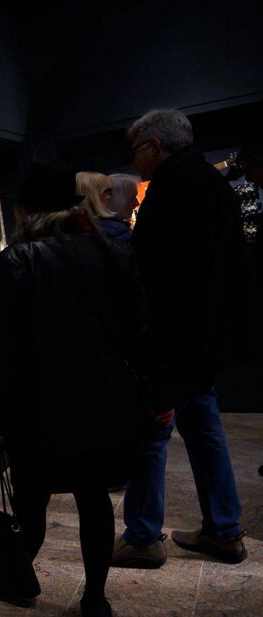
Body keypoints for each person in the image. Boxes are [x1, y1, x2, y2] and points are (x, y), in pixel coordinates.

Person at [0, 160, 150, 617]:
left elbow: (3, 349)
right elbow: (139, 331)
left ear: (26, 210)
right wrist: (152, 393)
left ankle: (17, 577)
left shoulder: (17, 260)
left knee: (31, 500)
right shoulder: (112, 252)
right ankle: (95, 600)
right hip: (102, 401)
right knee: (94, 502)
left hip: (37, 406)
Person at [112, 108, 251, 569]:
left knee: (151, 435)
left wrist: (153, 359)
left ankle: (143, 537)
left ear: (155, 146)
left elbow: (160, 283)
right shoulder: (214, 184)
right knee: (205, 429)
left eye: (137, 150)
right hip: (207, 341)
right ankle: (224, 530)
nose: (135, 160)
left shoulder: (171, 189)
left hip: (174, 343)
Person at [101, 173, 141, 242]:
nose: (137, 203)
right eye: (132, 198)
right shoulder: (119, 233)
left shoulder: (97, 226)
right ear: (116, 201)